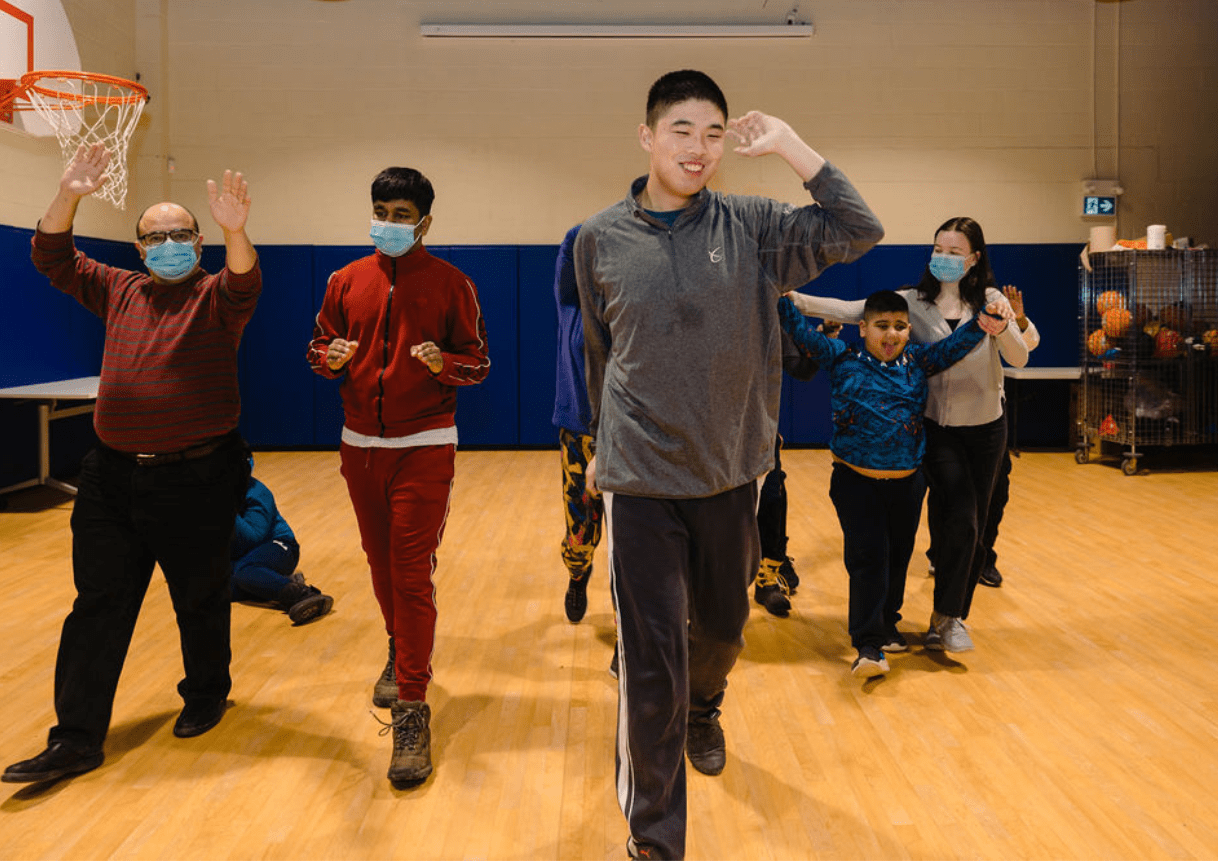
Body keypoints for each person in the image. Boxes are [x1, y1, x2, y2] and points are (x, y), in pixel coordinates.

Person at [574, 70, 883, 860]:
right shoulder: (598, 239)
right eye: (682, 130)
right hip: (639, 478)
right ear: (647, 136)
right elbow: (601, 353)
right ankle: (654, 839)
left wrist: (792, 148)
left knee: (720, 629)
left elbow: (859, 228)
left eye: (714, 133)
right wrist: (598, 445)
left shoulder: (755, 227)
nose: (699, 148)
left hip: (729, 473)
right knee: (651, 663)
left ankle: (705, 704)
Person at [3, 144, 259, 785]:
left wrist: (236, 231)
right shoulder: (117, 288)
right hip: (111, 478)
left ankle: (206, 693)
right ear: (140, 249)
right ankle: (76, 738)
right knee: (97, 605)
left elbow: (244, 282)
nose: (169, 244)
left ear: (198, 243)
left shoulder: (215, 297)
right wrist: (69, 194)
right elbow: (51, 256)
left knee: (199, 596)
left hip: (197, 476)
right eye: (156, 237)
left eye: (181, 234)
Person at [306, 166, 489, 786]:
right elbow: (318, 349)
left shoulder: (452, 283)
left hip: (425, 446)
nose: (388, 223)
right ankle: (398, 644)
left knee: (410, 572)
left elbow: (477, 363)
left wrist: (443, 365)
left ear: (424, 222)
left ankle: (412, 704)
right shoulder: (344, 280)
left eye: (401, 215)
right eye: (381, 212)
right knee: (380, 565)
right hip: (359, 445)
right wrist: (330, 359)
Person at [789, 217, 1032, 653]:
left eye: (954, 252)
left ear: (974, 259)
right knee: (955, 516)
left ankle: (948, 616)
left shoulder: (990, 301)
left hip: (985, 428)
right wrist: (793, 299)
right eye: (939, 249)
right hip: (935, 427)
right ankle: (896, 621)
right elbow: (851, 310)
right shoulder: (909, 303)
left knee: (972, 526)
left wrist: (1001, 324)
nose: (944, 258)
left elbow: (1018, 356)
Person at [778, 290, 1010, 677]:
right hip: (856, 484)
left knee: (898, 558)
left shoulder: (919, 361)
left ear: (909, 329)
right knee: (869, 558)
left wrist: (987, 317)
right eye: (881, 326)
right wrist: (780, 296)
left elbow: (956, 345)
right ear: (863, 328)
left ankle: (887, 622)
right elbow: (799, 332)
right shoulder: (841, 357)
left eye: (900, 327)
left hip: (907, 486)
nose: (891, 335)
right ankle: (868, 645)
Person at [753, 323, 835, 617]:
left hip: (759, 432)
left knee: (772, 498)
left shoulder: (765, 315)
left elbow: (801, 369)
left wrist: (821, 342)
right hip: (711, 432)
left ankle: (768, 578)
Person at [553, 223, 605, 625]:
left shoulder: (634, 311)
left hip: (628, 436)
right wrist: (601, 225)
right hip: (579, 434)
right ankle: (577, 573)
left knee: (635, 534)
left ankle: (630, 609)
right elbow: (570, 247)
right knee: (581, 528)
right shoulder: (571, 306)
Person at [231, 459, 333, 625]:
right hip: (242, 555)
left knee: (244, 571)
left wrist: (225, 507)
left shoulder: (257, 492)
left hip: (279, 546)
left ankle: (303, 594)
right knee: (217, 587)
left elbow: (253, 538)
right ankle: (279, 581)